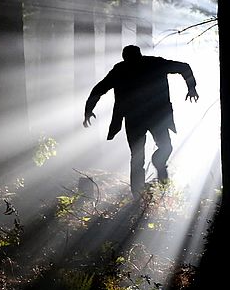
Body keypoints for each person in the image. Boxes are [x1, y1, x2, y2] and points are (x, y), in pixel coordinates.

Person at [84, 45, 199, 193]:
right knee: (148, 153)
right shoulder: (145, 66)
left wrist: (192, 87)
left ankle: (143, 189)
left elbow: (98, 90)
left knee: (148, 153)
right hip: (148, 117)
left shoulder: (130, 68)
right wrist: (191, 87)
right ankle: (141, 191)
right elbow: (98, 90)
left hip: (145, 117)